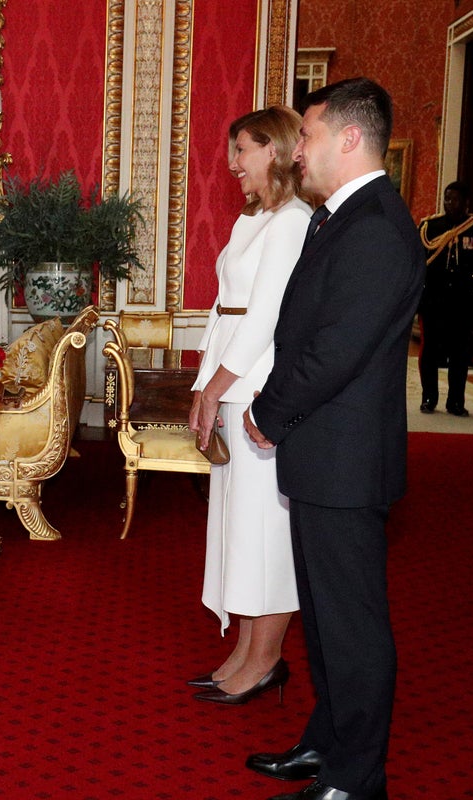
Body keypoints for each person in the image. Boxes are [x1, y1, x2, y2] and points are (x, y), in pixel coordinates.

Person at [242, 78, 425, 800]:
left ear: (350, 139)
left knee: (352, 627)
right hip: (323, 455)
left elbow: (334, 352)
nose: (300, 152)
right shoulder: (340, 217)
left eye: (309, 137)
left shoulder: (377, 225)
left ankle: (357, 778)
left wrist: (267, 411)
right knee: (321, 619)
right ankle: (327, 741)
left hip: (346, 460)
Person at [187, 106, 308, 705]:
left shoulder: (293, 221)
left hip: (259, 385)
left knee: (267, 529)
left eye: (242, 150)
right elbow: (223, 308)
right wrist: (202, 385)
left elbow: (264, 319)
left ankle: (266, 661)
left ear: (276, 151)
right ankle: (243, 653)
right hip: (231, 379)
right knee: (239, 524)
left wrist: (216, 387)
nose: (232, 163)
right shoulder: (253, 220)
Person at [416, 181, 473, 416]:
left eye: (454, 199)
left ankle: (455, 401)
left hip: (462, 302)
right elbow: (420, 266)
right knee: (430, 351)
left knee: (460, 354)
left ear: (466, 203)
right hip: (434, 300)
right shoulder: (430, 227)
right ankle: (429, 397)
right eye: (446, 199)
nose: (449, 204)